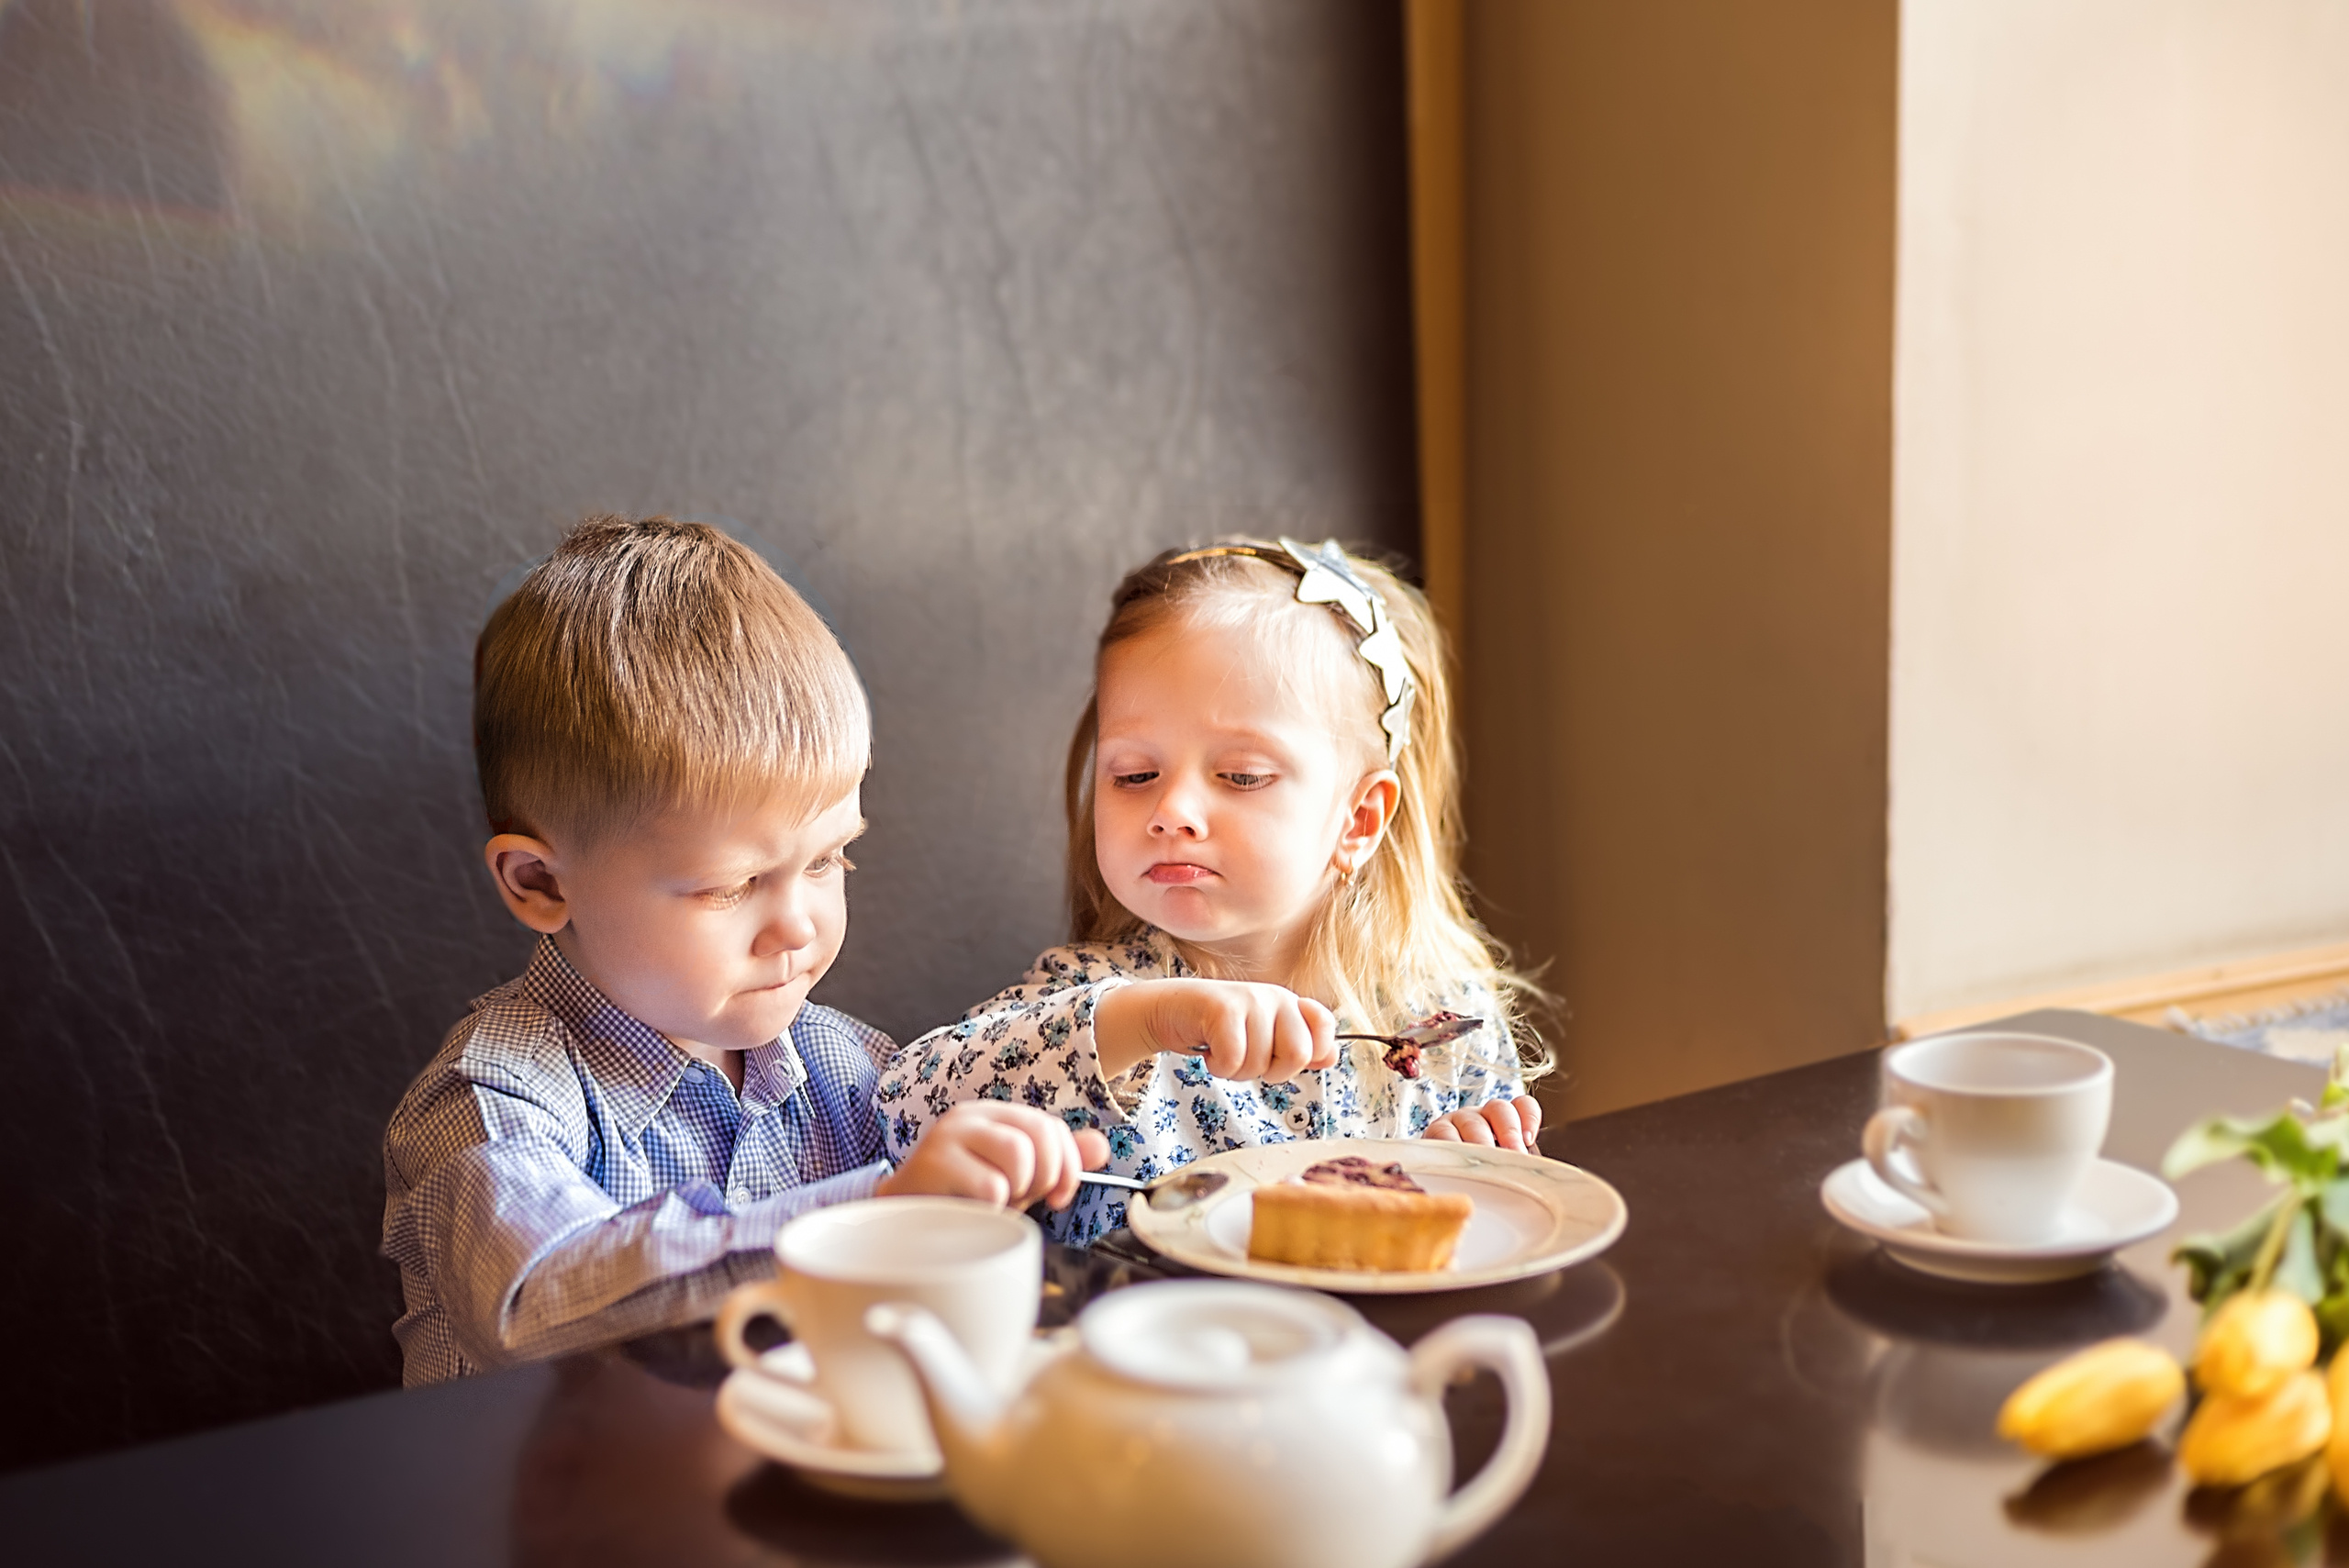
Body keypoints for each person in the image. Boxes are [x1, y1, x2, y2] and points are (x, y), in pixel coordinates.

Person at [382, 515, 1102, 1384]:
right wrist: (875, 1209)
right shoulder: (493, 1099)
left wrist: (1021, 1167)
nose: (798, 925)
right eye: (730, 885)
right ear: (540, 882)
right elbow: (535, 1300)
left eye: (829, 859)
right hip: (545, 1509)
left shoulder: (846, 1067)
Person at [874, 537, 1549, 1245]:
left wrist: (1473, 1172)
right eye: (1135, 775)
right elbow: (903, 1113)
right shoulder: (1104, 997)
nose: (1172, 811)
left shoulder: (1442, 1026)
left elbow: (1500, 1242)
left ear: (1358, 820)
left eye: (1241, 776)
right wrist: (1142, 1022)